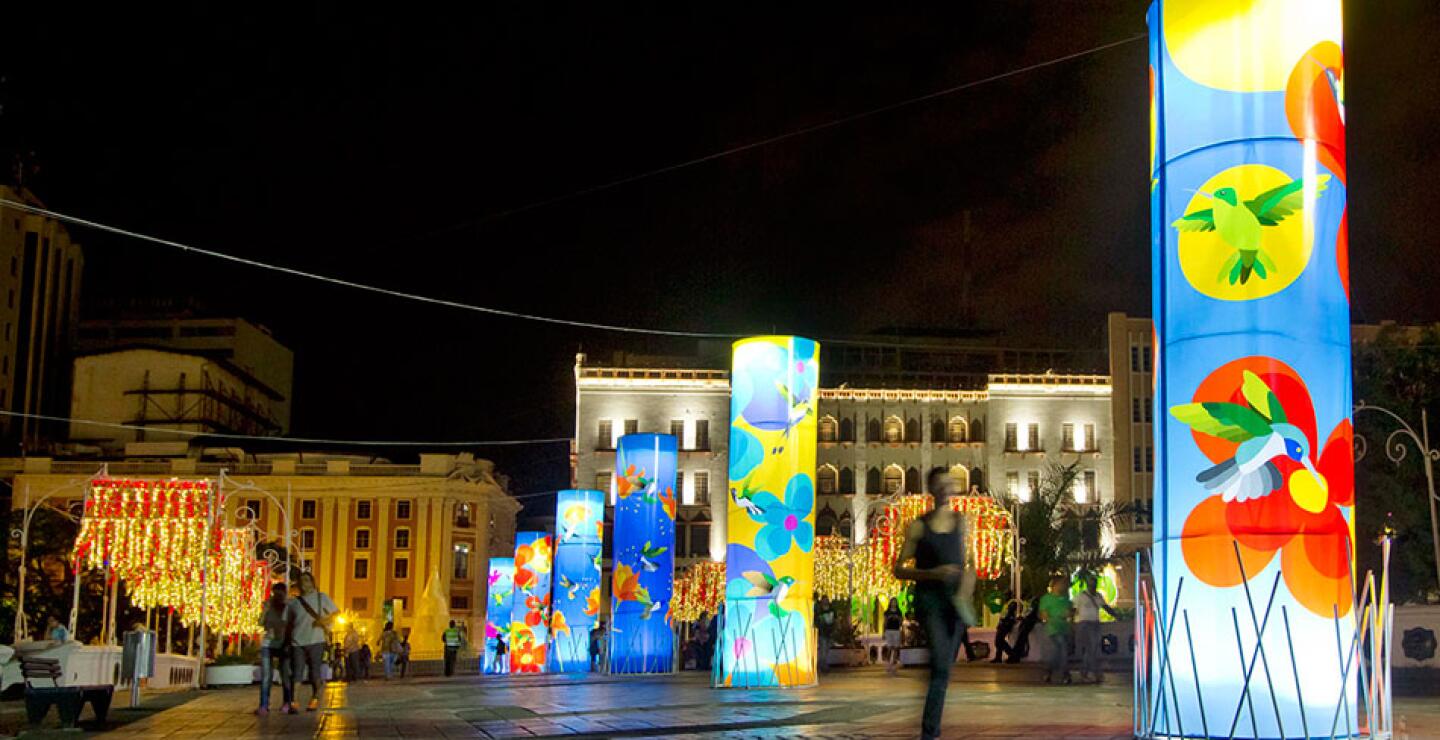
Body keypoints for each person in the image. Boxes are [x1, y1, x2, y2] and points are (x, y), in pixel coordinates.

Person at [894, 468, 975, 740]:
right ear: (931, 490)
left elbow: (971, 565)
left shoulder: (962, 522)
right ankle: (929, 733)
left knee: (943, 669)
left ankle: (931, 728)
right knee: (941, 666)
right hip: (930, 602)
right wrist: (933, 573)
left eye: (949, 484)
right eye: (939, 485)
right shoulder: (919, 526)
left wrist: (965, 593)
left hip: (956, 604)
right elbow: (899, 569)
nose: (945, 489)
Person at [286, 571, 337, 711]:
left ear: (312, 583)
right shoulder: (294, 602)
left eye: (307, 580)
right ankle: (294, 701)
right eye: (301, 580)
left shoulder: (321, 597)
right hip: (297, 641)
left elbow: (335, 613)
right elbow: (288, 621)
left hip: (316, 640)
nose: (304, 583)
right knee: (297, 671)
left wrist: (324, 621)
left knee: (314, 672)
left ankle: (315, 698)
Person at [257, 583, 294, 715]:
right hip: (268, 643)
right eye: (275, 593)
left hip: (284, 643)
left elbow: (291, 624)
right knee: (266, 676)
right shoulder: (268, 605)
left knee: (285, 675)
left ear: (285, 593)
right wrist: (265, 610)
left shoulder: (289, 606)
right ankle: (264, 705)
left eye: (280, 593)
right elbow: (260, 622)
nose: (277, 596)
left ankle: (287, 702)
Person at [1075, 574, 1117, 683]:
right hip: (1084, 624)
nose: (1093, 586)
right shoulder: (1081, 596)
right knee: (1090, 648)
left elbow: (1105, 607)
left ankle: (1088, 672)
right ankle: (1091, 672)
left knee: (1092, 649)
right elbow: (1074, 609)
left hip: (1095, 624)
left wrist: (1116, 615)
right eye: (1091, 584)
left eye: (1094, 583)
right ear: (1088, 584)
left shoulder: (1098, 596)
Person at [1038, 575, 1075, 684]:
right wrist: (1051, 619)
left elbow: (1071, 613)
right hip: (1053, 628)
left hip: (1064, 628)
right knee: (1062, 647)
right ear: (1054, 585)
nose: (1063, 586)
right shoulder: (1046, 599)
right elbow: (1043, 614)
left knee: (1057, 652)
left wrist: (1070, 618)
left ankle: (1049, 671)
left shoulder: (1066, 599)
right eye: (1061, 584)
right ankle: (1065, 673)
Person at [1009, 594, 1043, 664]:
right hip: (1027, 622)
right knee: (1021, 640)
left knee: (1021, 640)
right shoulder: (1031, 607)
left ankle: (1016, 656)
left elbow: (1032, 615)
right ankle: (1016, 655)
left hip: (1028, 623)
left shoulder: (1033, 608)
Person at [990, 598, 1021, 664]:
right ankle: (999, 657)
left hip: (1004, 627)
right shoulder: (1007, 609)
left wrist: (1003, 621)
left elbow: (1009, 619)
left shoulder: (1010, 612)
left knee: (999, 641)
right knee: (999, 641)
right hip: (1003, 626)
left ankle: (1012, 655)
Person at [882, 598, 903, 675]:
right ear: (890, 603)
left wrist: (898, 618)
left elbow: (901, 623)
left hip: (896, 631)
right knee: (889, 648)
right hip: (889, 631)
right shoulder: (887, 612)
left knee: (896, 648)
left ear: (897, 603)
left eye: (895, 602)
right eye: (892, 602)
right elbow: (884, 623)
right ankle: (888, 665)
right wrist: (883, 633)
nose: (894, 603)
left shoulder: (899, 612)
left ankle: (894, 665)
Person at [814, 597, 836, 673]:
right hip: (822, 633)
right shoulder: (820, 610)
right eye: (824, 600)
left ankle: (822, 665)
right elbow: (817, 621)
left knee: (826, 650)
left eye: (826, 600)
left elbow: (834, 620)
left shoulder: (831, 609)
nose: (826, 602)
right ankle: (822, 665)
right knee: (823, 650)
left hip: (829, 633)